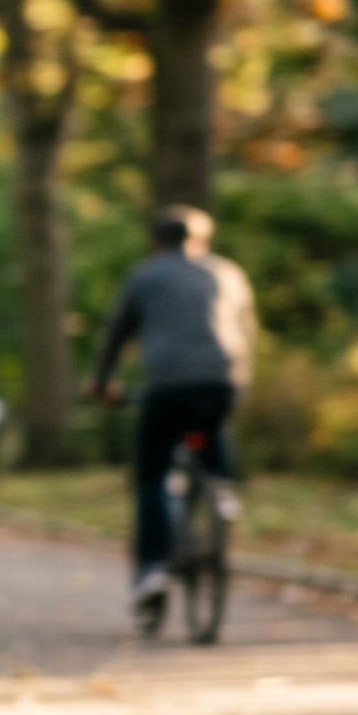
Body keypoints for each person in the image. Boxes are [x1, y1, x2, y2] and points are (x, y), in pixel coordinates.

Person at [88, 205, 258, 611]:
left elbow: (117, 331)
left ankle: (153, 569)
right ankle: (221, 490)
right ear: (201, 239)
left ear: (157, 241)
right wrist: (240, 381)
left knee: (151, 475)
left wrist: (100, 381)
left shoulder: (145, 275)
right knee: (209, 431)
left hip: (167, 385)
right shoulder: (227, 272)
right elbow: (247, 329)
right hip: (221, 381)